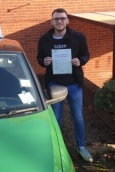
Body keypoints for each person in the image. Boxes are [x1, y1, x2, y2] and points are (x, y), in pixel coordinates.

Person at [37, 8, 92, 162]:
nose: (59, 21)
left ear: (67, 20)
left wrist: (80, 61)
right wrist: (44, 62)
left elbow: (86, 54)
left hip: (74, 83)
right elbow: (39, 57)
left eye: (62, 18)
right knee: (56, 118)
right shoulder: (45, 39)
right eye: (56, 19)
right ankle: (57, 148)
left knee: (78, 117)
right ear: (51, 21)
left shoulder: (78, 37)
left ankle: (81, 147)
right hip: (54, 84)